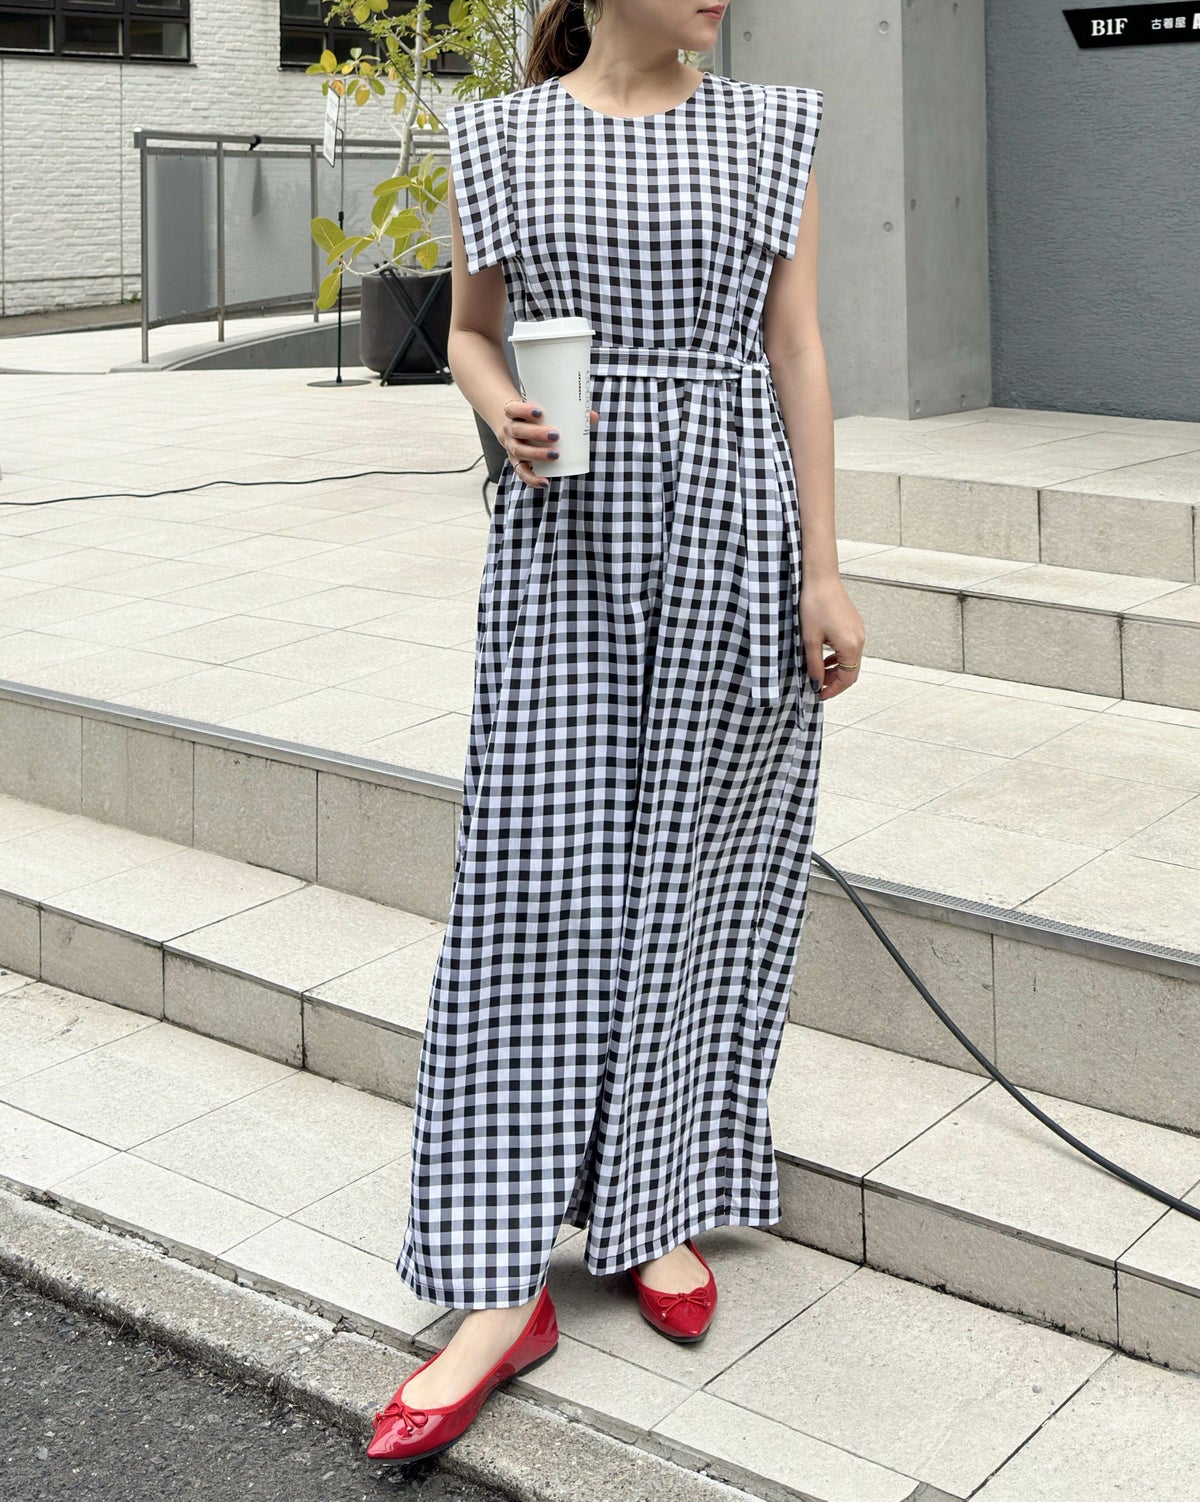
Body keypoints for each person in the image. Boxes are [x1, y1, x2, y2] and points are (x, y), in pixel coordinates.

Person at [368, 0, 865, 1466]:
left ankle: (653, 1203)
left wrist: (824, 570)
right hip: (566, 548)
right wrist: (504, 407)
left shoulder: (771, 129)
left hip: (732, 537)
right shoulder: (501, 138)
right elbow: (470, 333)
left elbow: (796, 350)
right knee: (533, 891)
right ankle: (499, 1282)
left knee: (702, 881)